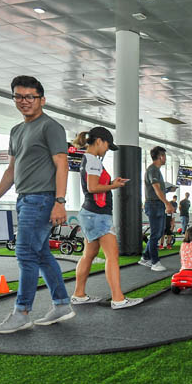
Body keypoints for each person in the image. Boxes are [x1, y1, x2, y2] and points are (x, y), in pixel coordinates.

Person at [0, 75, 73, 333]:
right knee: (41, 255)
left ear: (42, 99)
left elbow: (62, 165)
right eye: (19, 96)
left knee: (25, 255)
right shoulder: (16, 131)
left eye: (30, 96)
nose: (24, 101)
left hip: (42, 199)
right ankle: (62, 304)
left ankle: (22, 313)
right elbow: (11, 170)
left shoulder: (50, 127)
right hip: (24, 199)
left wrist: (60, 201)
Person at [69, 127, 141, 310]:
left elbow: (94, 186)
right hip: (98, 215)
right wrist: (113, 187)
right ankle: (118, 299)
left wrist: (111, 183)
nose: (107, 150)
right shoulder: (93, 160)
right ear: (99, 141)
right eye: (107, 145)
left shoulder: (88, 159)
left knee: (89, 255)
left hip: (90, 213)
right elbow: (93, 188)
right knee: (112, 256)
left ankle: (79, 294)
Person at [139, 146, 175, 271]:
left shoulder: (156, 170)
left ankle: (145, 257)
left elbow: (158, 190)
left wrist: (167, 191)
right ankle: (155, 262)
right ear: (160, 157)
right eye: (164, 156)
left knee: (158, 233)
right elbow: (156, 189)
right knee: (156, 234)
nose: (165, 158)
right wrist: (167, 203)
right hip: (154, 205)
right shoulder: (153, 170)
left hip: (157, 204)